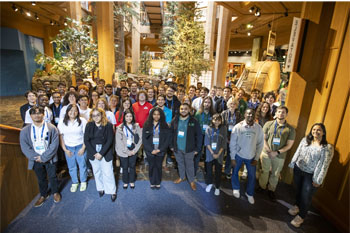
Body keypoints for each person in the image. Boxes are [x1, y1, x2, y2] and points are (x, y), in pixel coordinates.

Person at [288, 123, 333, 227]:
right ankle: (297, 206)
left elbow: (324, 165)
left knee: (306, 196)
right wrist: (292, 164)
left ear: (323, 132)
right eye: (314, 129)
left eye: (319, 130)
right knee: (298, 190)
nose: (315, 132)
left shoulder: (326, 147)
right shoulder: (305, 140)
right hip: (298, 169)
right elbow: (297, 151)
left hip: (311, 175)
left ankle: (301, 216)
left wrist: (318, 180)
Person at [20, 106, 61, 207]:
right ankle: (43, 195)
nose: (37, 115)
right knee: (41, 178)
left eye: (39, 113)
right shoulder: (25, 130)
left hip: (49, 158)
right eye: (34, 113)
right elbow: (25, 146)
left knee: (53, 176)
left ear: (43, 114)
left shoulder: (52, 128)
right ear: (31, 116)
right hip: (35, 159)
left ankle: (55, 192)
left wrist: (44, 157)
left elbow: (54, 145)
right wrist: (36, 157)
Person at [257, 106, 296, 201]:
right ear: (276, 113)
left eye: (283, 112)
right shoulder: (268, 124)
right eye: (279, 112)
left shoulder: (290, 129)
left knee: (275, 173)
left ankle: (271, 190)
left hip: (280, 156)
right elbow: (263, 138)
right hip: (266, 153)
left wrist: (276, 152)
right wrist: (269, 151)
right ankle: (262, 187)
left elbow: (289, 145)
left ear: (286, 114)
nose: (281, 114)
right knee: (264, 171)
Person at [230, 108, 264, 204]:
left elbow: (260, 144)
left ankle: (249, 193)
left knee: (252, 176)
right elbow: (232, 143)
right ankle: (236, 188)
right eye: (248, 114)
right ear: (244, 115)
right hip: (239, 155)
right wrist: (232, 157)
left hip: (251, 157)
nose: (250, 116)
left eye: (252, 114)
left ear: (254, 116)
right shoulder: (238, 127)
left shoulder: (258, 128)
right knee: (235, 172)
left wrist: (257, 158)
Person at [84, 108, 117, 202]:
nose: (96, 117)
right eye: (93, 115)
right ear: (91, 116)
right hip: (93, 153)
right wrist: (95, 153)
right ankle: (100, 188)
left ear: (102, 115)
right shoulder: (89, 125)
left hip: (105, 152)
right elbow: (86, 140)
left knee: (108, 172)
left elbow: (110, 141)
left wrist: (101, 153)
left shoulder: (108, 125)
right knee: (97, 172)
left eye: (98, 115)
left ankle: (112, 191)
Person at [170, 103, 202, 191]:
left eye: (185, 109)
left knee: (190, 165)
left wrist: (197, 149)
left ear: (189, 110)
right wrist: (171, 146)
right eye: (181, 109)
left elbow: (199, 136)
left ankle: (191, 181)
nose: (183, 110)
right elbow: (171, 133)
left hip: (189, 149)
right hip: (177, 148)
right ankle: (182, 177)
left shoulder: (194, 121)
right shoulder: (175, 120)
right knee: (180, 164)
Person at [57, 104, 88, 192]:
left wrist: (83, 148)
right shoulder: (62, 122)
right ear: (67, 112)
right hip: (68, 147)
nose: (73, 112)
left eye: (75, 110)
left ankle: (83, 181)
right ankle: (75, 182)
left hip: (80, 146)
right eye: (70, 110)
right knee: (71, 166)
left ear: (78, 112)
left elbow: (86, 135)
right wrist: (65, 149)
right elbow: (61, 136)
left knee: (82, 165)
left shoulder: (82, 120)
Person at [142, 107, 171, 189]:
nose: (156, 116)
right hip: (150, 151)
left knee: (158, 166)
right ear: (151, 115)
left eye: (158, 114)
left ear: (161, 115)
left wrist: (159, 149)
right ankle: (152, 181)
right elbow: (144, 139)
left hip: (160, 150)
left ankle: (157, 182)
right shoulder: (147, 125)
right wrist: (151, 150)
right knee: (151, 166)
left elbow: (167, 140)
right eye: (154, 114)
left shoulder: (165, 125)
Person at [115, 109, 142, 189]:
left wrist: (134, 150)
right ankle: (125, 181)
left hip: (133, 149)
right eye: (127, 116)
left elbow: (140, 139)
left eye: (130, 116)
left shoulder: (136, 126)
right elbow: (119, 142)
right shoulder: (120, 127)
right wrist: (127, 151)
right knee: (125, 166)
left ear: (133, 117)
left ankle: (132, 181)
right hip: (123, 150)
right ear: (124, 117)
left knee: (132, 166)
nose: (129, 118)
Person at [204, 114, 227, 196]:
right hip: (210, 153)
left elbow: (224, 143)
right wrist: (213, 153)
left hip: (219, 154)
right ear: (212, 120)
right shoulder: (208, 128)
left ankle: (217, 186)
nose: (216, 121)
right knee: (209, 171)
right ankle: (209, 183)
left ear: (221, 121)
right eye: (215, 119)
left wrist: (218, 154)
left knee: (218, 171)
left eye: (218, 120)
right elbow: (207, 142)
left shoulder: (223, 129)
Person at [221, 97, 243, 178]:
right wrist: (226, 138)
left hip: (234, 138)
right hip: (224, 137)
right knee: (221, 154)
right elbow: (221, 126)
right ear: (228, 104)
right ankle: (219, 170)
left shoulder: (239, 114)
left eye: (234, 104)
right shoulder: (224, 113)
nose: (232, 105)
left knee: (230, 156)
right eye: (231, 103)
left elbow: (241, 127)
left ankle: (227, 171)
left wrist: (234, 139)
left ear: (236, 105)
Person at [194, 96, 215, 176]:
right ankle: (194, 171)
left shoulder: (213, 114)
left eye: (209, 103)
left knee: (208, 154)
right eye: (205, 102)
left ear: (211, 104)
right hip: (199, 136)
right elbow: (195, 125)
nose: (207, 104)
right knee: (198, 153)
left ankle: (207, 171)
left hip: (209, 136)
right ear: (203, 103)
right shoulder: (198, 113)